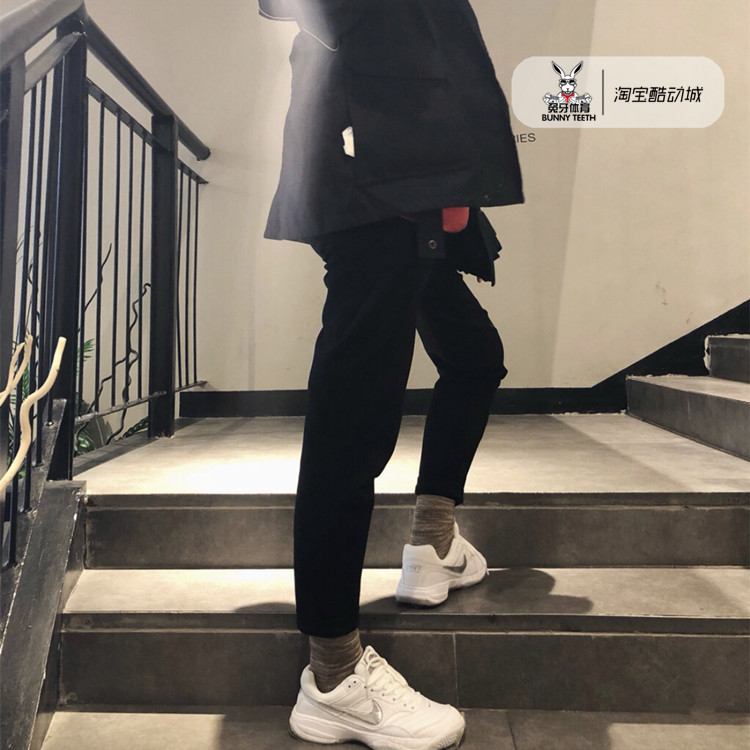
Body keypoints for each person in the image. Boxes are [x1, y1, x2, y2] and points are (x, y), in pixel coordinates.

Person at [259, 1, 524, 747]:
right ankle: (334, 675)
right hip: (378, 182)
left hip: (404, 182)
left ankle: (432, 544)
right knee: (353, 421)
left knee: (473, 355)